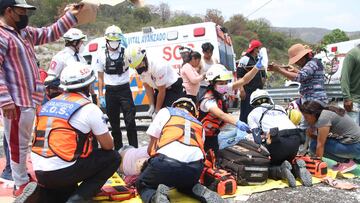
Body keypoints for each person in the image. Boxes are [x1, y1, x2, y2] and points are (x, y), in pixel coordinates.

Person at [0, 0, 82, 197]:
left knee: (23, 142)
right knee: (16, 143)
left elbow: (50, 33)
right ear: (9, 11)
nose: (25, 16)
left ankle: (22, 178)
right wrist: (5, 100)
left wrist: (70, 15)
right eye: (22, 11)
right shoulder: (2, 36)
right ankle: (19, 182)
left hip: (29, 98)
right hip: (16, 100)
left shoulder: (24, 32)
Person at [18, 62, 121, 203]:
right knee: (113, 157)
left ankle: (40, 196)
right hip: (63, 170)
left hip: (40, 170)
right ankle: (77, 199)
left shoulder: (49, 104)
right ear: (89, 85)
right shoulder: (89, 108)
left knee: (65, 189)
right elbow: (108, 146)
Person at [136, 97, 224, 203]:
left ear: (176, 106)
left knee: (143, 183)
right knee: (184, 184)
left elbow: (151, 149)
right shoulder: (199, 124)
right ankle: (196, 189)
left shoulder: (166, 111)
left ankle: (155, 198)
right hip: (194, 168)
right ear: (194, 112)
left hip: (166, 163)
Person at [247, 89, 311, 187]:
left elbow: (257, 140)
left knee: (267, 165)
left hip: (278, 142)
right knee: (285, 157)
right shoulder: (280, 108)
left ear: (253, 103)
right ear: (269, 99)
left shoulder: (253, 114)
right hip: (295, 140)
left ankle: (281, 171)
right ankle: (297, 168)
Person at [198, 61, 263, 155]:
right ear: (212, 83)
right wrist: (237, 123)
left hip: (215, 134)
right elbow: (221, 114)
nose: (224, 85)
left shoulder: (220, 89)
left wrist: (256, 68)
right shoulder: (208, 100)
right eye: (221, 82)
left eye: (225, 82)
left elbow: (244, 80)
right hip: (204, 137)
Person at [94, 25, 138, 149]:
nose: (114, 44)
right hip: (110, 92)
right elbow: (100, 77)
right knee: (114, 125)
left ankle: (134, 149)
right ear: (106, 41)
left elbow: (137, 63)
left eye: (116, 41)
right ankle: (118, 151)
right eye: (111, 41)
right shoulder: (101, 55)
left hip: (124, 90)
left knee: (130, 122)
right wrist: (101, 95)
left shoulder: (126, 52)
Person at [299, 100, 360, 174]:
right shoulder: (327, 111)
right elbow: (322, 138)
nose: (306, 120)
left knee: (314, 145)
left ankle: (346, 162)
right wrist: (311, 135)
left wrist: (317, 165)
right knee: (315, 143)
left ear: (313, 114)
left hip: (356, 146)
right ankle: (348, 160)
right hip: (355, 145)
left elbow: (320, 144)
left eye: (306, 117)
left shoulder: (323, 119)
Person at [128, 46, 184, 118]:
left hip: (172, 87)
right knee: (156, 115)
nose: (138, 68)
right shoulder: (138, 67)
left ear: (144, 59)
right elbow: (148, 87)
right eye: (136, 67)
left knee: (166, 114)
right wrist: (152, 105)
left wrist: (157, 111)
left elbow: (162, 91)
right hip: (159, 88)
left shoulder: (158, 66)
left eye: (139, 65)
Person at [45, 28, 98, 104]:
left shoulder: (81, 58)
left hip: (82, 98)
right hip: (66, 98)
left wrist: (93, 95)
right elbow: (50, 81)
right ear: (75, 42)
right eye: (81, 42)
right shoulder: (60, 57)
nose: (82, 44)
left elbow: (87, 78)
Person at [237, 40, 267, 123]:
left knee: (258, 111)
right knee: (246, 111)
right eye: (258, 48)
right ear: (255, 49)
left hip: (258, 90)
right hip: (248, 90)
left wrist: (263, 79)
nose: (259, 50)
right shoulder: (244, 59)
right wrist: (241, 89)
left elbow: (263, 73)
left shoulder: (258, 60)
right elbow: (239, 76)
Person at [341, 44, 360, 125]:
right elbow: (344, 77)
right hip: (354, 101)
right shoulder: (353, 54)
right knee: (353, 134)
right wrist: (347, 98)